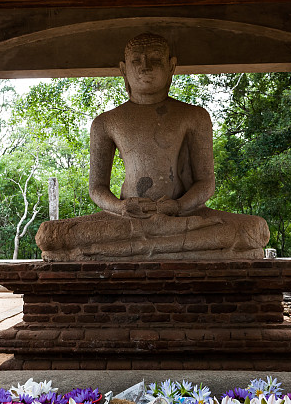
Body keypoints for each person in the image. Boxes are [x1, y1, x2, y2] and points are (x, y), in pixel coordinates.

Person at [35, 33, 269, 261]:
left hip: (183, 217)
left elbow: (205, 183)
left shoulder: (194, 116)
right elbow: (97, 188)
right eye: (136, 61)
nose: (145, 67)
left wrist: (178, 206)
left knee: (254, 230)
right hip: (127, 219)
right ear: (123, 69)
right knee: (48, 235)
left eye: (155, 60)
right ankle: (162, 246)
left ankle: (130, 248)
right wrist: (121, 206)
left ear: (171, 67)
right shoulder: (105, 122)